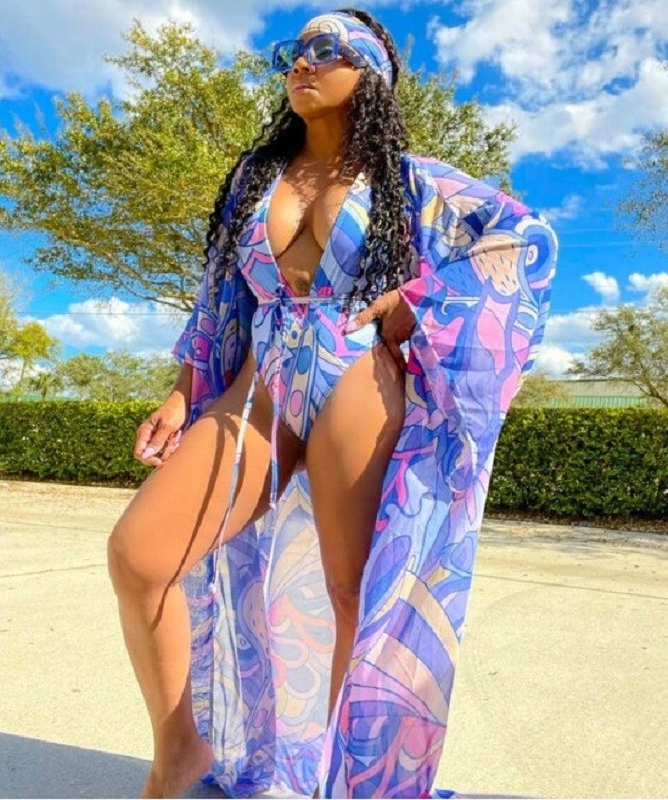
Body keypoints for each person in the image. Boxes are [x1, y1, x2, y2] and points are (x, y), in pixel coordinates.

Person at [107, 7, 557, 799]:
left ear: (369, 74)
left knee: (353, 592)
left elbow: (524, 241)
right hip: (260, 385)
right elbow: (219, 299)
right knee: (140, 556)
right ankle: (180, 749)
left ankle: (350, 787)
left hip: (354, 373)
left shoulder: (409, 181)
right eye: (295, 50)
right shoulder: (254, 180)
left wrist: (417, 302)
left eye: (326, 50)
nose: (302, 63)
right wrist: (182, 393)